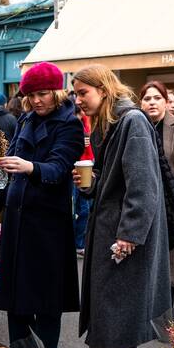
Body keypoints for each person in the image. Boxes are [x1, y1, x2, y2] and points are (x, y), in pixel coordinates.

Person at [0, 62, 84, 348]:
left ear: (57, 92)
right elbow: (4, 169)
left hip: (48, 227)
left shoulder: (70, 125)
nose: (37, 100)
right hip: (16, 224)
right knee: (17, 305)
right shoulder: (24, 120)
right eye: (32, 95)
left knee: (46, 307)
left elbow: (59, 168)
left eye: (44, 94)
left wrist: (30, 167)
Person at [72, 64, 171, 348]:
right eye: (75, 93)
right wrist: (90, 183)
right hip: (112, 236)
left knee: (115, 327)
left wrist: (129, 235)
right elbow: (114, 180)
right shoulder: (110, 122)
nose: (77, 100)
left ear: (103, 90)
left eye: (82, 93)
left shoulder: (133, 121)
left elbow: (143, 186)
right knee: (111, 325)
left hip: (122, 242)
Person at [139, 80, 174, 311]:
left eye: (156, 98)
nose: (152, 103)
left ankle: (165, 317)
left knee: (170, 266)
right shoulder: (135, 127)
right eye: (147, 98)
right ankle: (143, 315)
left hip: (172, 206)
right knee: (144, 263)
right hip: (143, 204)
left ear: (166, 102)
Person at [73, 104, 94, 257]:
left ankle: (79, 243)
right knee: (76, 210)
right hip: (74, 169)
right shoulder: (70, 127)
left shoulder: (87, 121)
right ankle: (75, 243)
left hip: (88, 166)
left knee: (86, 210)